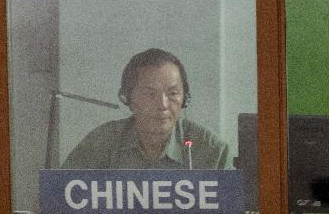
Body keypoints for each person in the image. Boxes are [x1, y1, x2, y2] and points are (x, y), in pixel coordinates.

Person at [62, 48, 229, 169]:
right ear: (128, 97)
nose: (163, 105)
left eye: (172, 93)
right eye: (150, 94)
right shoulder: (101, 143)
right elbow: (58, 199)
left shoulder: (212, 150)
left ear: (185, 98)